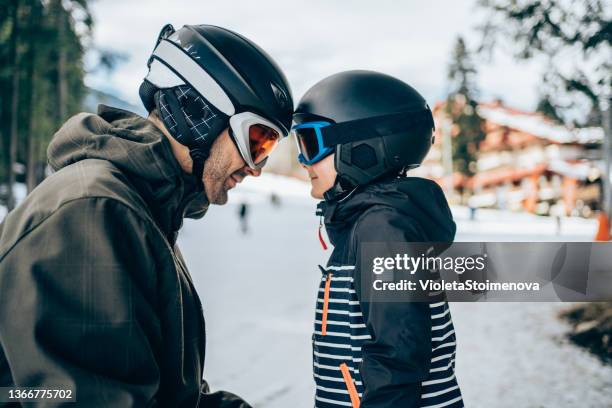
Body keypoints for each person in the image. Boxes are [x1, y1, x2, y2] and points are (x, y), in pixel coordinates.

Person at [0, 24, 292, 407]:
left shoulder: (144, 210)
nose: (256, 167)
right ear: (198, 113)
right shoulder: (93, 211)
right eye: (257, 140)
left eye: (267, 147)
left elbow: (170, 395)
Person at [292, 71, 463, 407]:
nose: (302, 160)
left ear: (362, 149)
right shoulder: (369, 225)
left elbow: (398, 355)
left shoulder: (382, 228)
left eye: (310, 144)